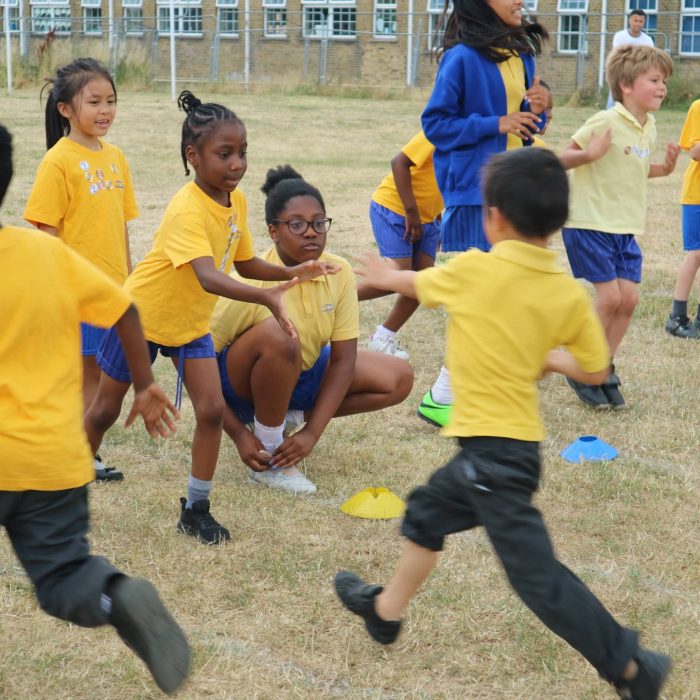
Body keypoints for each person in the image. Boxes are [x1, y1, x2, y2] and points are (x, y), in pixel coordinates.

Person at [333, 148, 671, 700]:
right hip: (502, 455)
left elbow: (422, 283)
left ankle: (632, 668)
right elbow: (595, 368)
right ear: (556, 222)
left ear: (492, 217)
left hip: (495, 461)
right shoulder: (564, 291)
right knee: (424, 513)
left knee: (536, 578)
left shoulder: (474, 269)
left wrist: (386, 274)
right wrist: (547, 358)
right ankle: (385, 612)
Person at [84, 92, 336, 544]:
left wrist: (290, 273)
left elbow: (245, 263)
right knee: (104, 410)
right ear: (193, 156)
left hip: (188, 325)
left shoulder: (235, 202)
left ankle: (196, 509)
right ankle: (62, 485)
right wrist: (267, 300)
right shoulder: (187, 207)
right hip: (140, 317)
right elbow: (207, 275)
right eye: (225, 154)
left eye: (242, 152)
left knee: (213, 410)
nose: (237, 164)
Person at [0, 124, 189, 695]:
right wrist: (144, 383)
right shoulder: (43, 252)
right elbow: (125, 308)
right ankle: (114, 595)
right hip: (54, 457)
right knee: (64, 576)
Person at [210, 165, 414, 495]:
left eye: (319, 223)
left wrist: (312, 431)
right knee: (282, 336)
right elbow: (197, 366)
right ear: (273, 231)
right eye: (297, 225)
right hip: (240, 389)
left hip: (299, 373)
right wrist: (238, 434)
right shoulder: (250, 281)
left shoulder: (338, 271)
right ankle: (270, 454)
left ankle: (285, 416)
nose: (311, 233)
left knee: (398, 376)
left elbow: (344, 361)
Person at [416, 0, 550, 429]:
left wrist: (541, 109)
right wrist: (496, 123)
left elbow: (527, 126)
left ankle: (474, 388)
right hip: (473, 193)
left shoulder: (521, 54)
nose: (520, 1)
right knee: (480, 295)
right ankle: (444, 396)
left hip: (515, 190)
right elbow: (436, 125)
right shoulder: (461, 58)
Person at [23, 59, 139, 482]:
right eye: (94, 102)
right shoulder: (58, 161)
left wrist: (130, 279)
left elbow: (120, 225)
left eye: (111, 101)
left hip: (113, 291)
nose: (105, 110)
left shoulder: (116, 157)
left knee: (104, 373)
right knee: (86, 374)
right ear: (66, 109)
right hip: (76, 293)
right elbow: (45, 231)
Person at [561, 45, 680, 409]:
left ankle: (601, 366)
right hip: (589, 223)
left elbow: (637, 170)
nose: (662, 87)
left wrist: (666, 169)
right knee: (610, 297)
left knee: (628, 300)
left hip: (624, 228)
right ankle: (579, 363)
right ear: (626, 86)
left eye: (664, 81)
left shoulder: (650, 126)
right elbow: (563, 157)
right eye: (654, 80)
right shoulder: (605, 121)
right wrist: (590, 154)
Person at [357, 130, 443, 361]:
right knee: (398, 277)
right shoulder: (439, 129)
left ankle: (383, 337)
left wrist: (437, 213)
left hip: (428, 218)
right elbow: (399, 163)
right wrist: (411, 212)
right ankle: (331, 299)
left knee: (423, 282)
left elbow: (441, 179)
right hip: (396, 208)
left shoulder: (475, 138)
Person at [665, 99, 700, 338]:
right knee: (696, 253)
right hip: (697, 195)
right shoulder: (698, 107)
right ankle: (676, 317)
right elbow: (694, 152)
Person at [607, 10, 654, 109]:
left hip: (639, 75)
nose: (638, 23)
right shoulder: (620, 36)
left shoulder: (648, 40)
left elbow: (650, 60)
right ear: (629, 21)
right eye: (635, 20)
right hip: (621, 73)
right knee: (613, 101)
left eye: (640, 21)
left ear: (644, 23)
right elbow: (617, 56)